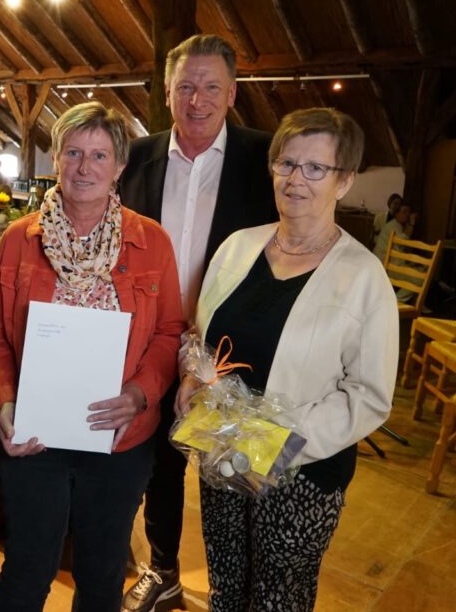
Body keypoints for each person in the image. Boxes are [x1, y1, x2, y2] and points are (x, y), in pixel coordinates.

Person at [177, 107, 397, 610]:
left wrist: (276, 443)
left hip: (301, 473)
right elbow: (204, 336)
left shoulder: (363, 278)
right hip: (223, 457)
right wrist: (193, 375)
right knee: (227, 585)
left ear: (344, 182)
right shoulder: (237, 247)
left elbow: (369, 395)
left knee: (280, 597)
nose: (296, 179)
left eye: (315, 168)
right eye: (286, 164)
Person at [0, 102, 185, 610]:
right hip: (35, 439)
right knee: (28, 565)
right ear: (56, 158)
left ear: (119, 167)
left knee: (102, 569)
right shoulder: (18, 240)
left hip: (119, 440)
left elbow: (168, 331)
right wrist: (4, 404)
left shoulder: (151, 241)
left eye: (99, 155)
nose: (85, 167)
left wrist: (140, 394)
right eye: (73, 152)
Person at [118, 33, 277, 610]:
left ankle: (241, 593)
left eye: (211, 86)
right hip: (152, 342)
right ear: (167, 92)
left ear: (233, 92)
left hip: (232, 349)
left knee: (234, 480)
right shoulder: (135, 157)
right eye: (185, 85)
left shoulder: (265, 162)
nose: (197, 99)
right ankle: (163, 571)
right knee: (157, 463)